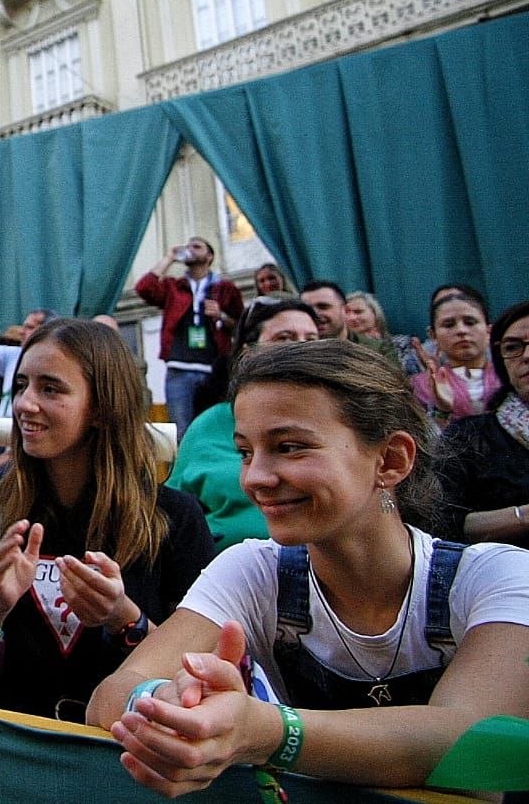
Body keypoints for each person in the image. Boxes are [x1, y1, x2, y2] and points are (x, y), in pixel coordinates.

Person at [88, 339, 529, 796]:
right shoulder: (253, 570)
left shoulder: (498, 578)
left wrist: (268, 731)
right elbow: (111, 694)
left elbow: (475, 746)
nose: (256, 478)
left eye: (290, 447)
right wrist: (167, 702)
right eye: (245, 451)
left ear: (392, 460)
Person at [0, 320, 214, 723]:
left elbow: (198, 676)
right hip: (20, 736)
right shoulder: (1, 501)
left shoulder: (174, 517)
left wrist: (124, 618)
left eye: (50, 388)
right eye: (24, 384)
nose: (26, 403)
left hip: (126, 745)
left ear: (101, 407)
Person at [167, 297, 319, 552]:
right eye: (284, 338)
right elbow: (171, 511)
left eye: (312, 340)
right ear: (249, 353)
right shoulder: (212, 423)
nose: (301, 348)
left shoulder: (344, 420)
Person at [433, 298, 529, 548]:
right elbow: (441, 522)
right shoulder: (468, 436)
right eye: (513, 347)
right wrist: (522, 517)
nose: (527, 356)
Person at [135, 238, 245, 438]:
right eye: (188, 247)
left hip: (214, 371)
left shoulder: (225, 289)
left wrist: (221, 316)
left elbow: (241, 324)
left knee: (217, 430)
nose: (190, 250)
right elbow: (144, 288)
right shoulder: (174, 287)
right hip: (179, 369)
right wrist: (169, 258)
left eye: (197, 246)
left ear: (209, 256)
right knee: (180, 433)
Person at [412, 284, 499, 427]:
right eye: (449, 324)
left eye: (470, 322)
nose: (461, 330)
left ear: (489, 331)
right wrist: (441, 410)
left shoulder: (509, 376)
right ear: (433, 336)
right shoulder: (420, 387)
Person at [300, 279, 402, 368]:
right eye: (307, 309)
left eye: (323, 306)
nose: (315, 314)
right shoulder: (297, 352)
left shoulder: (378, 350)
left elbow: (397, 387)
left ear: (344, 310)